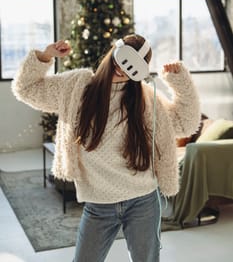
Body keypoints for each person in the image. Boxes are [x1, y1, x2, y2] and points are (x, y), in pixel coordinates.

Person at [12, 34, 200, 262]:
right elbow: (25, 88)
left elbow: (186, 123)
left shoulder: (147, 100)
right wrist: (45, 56)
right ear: (113, 52)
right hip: (98, 204)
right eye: (120, 59)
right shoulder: (76, 88)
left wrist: (179, 80)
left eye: (132, 66)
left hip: (143, 200)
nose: (121, 69)